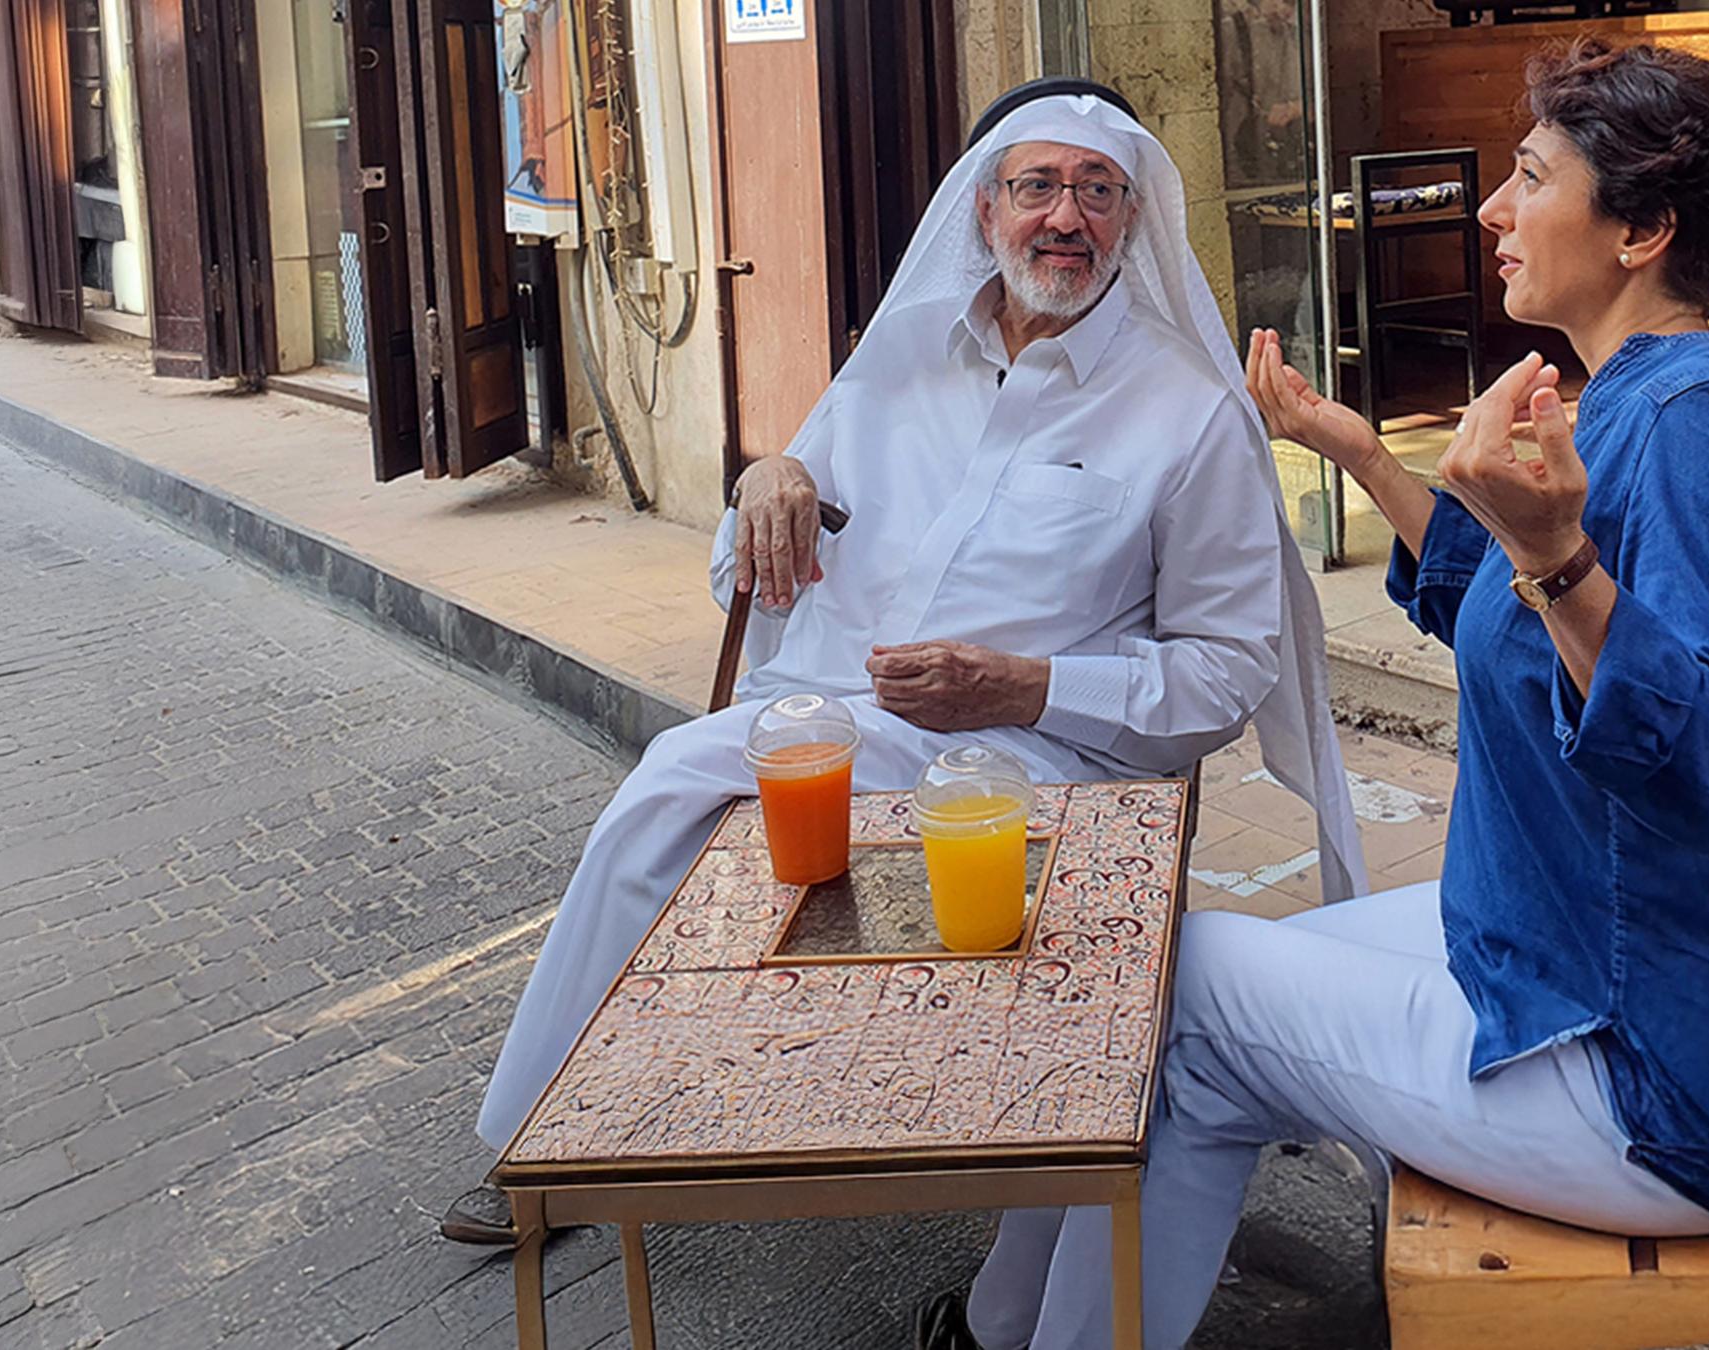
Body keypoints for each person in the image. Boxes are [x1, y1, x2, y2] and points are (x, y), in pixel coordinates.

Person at [927, 40, 1709, 1350]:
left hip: (1686, 1076)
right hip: (1608, 962)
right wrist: (1353, 450)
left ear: (1645, 232)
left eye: (1531, 177)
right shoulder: (1639, 400)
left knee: (1191, 994)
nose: (1493, 210)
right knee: (1157, 973)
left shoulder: (1690, 431)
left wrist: (1557, 557)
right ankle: (1005, 1329)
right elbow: (1509, 618)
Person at [442, 78, 1371, 1245]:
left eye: (1096, 191)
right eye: (1036, 187)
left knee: (692, 783)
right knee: (667, 792)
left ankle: (1015, 1206)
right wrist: (763, 479)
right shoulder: (896, 363)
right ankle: (550, 1145)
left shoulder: (1190, 415)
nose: (1065, 219)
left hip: (1046, 758)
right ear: (985, 213)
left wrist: (1028, 684)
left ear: (1131, 223)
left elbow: (1228, 671)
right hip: (841, 719)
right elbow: (747, 571)